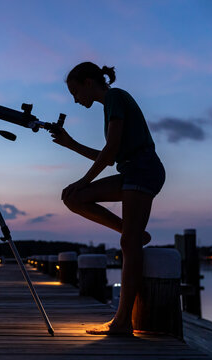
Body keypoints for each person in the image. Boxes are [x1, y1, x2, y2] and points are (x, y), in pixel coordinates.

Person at [51, 61, 165, 335]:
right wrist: (71, 144)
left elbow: (111, 149)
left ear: (89, 83)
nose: (76, 100)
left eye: (75, 92)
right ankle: (134, 233)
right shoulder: (110, 104)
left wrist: (82, 180)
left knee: (128, 243)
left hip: (143, 170)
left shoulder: (114, 97)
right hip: (130, 171)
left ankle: (123, 322)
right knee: (74, 198)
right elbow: (111, 155)